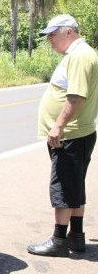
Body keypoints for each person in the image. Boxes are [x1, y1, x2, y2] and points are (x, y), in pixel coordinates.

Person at [27, 14, 98, 257]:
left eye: (52, 34)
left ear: (68, 32)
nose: (49, 40)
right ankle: (76, 236)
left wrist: (57, 126)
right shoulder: (81, 54)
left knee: (63, 188)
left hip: (70, 135)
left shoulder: (79, 56)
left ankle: (59, 240)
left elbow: (76, 96)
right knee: (74, 185)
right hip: (80, 132)